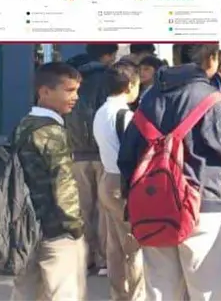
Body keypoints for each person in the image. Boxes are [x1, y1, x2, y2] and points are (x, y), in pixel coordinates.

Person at [118, 43, 221, 300]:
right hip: (204, 201)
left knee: (161, 288)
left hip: (153, 204)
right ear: (211, 59)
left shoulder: (148, 99)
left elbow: (127, 156)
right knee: (208, 288)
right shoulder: (212, 99)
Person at [11, 62, 86, 300]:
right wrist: (74, 227)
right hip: (55, 229)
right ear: (44, 91)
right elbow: (63, 184)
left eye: (77, 90)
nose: (75, 97)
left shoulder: (24, 124)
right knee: (64, 292)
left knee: (26, 291)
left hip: (23, 225)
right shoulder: (52, 132)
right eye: (69, 90)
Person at [92, 60, 144, 301]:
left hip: (107, 179)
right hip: (123, 183)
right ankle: (137, 296)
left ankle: (118, 294)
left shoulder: (101, 112)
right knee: (134, 246)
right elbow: (133, 155)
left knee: (114, 245)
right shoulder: (126, 115)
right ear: (130, 85)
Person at [65, 42, 119, 275]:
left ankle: (85, 259)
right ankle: (104, 259)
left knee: (82, 208)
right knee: (105, 208)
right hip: (104, 152)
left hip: (76, 152)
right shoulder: (108, 79)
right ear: (107, 56)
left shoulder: (69, 78)